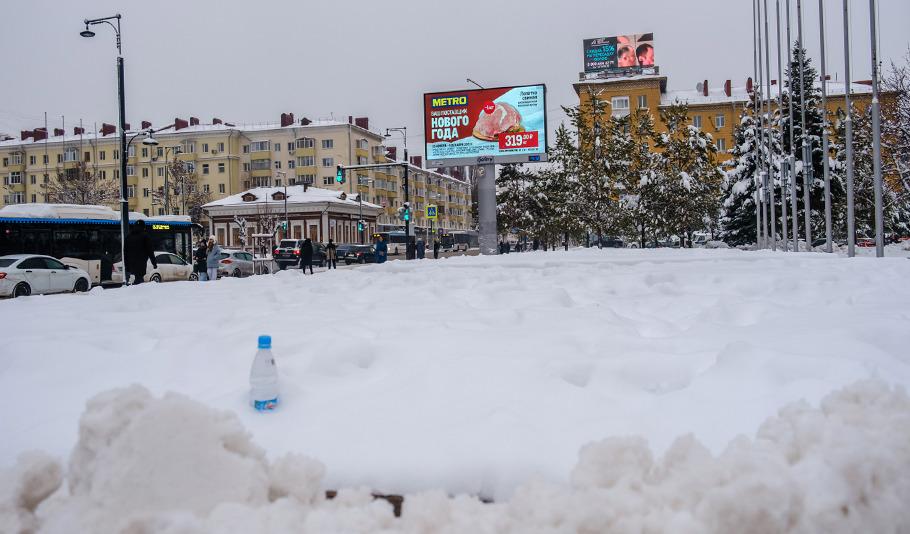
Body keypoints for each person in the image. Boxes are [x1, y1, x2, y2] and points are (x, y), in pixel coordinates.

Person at [124, 220, 157, 285]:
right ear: (143, 227)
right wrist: (154, 263)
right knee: (139, 282)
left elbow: (125, 252)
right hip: (141, 263)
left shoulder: (128, 237)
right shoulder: (145, 236)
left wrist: (127, 266)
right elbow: (150, 251)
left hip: (131, 264)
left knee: (136, 279)